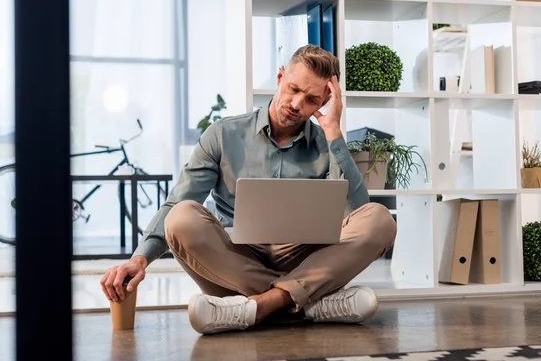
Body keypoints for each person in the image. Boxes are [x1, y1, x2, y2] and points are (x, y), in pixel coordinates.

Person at [100, 44, 397, 335]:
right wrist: (140, 259)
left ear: (323, 103)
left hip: (303, 256)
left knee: (380, 219)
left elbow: (358, 212)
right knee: (180, 218)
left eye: (311, 99)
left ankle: (260, 306)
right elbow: (179, 200)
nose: (296, 105)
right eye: (293, 89)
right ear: (280, 77)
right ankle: (309, 303)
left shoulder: (326, 144)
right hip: (237, 259)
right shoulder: (223, 134)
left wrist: (333, 132)